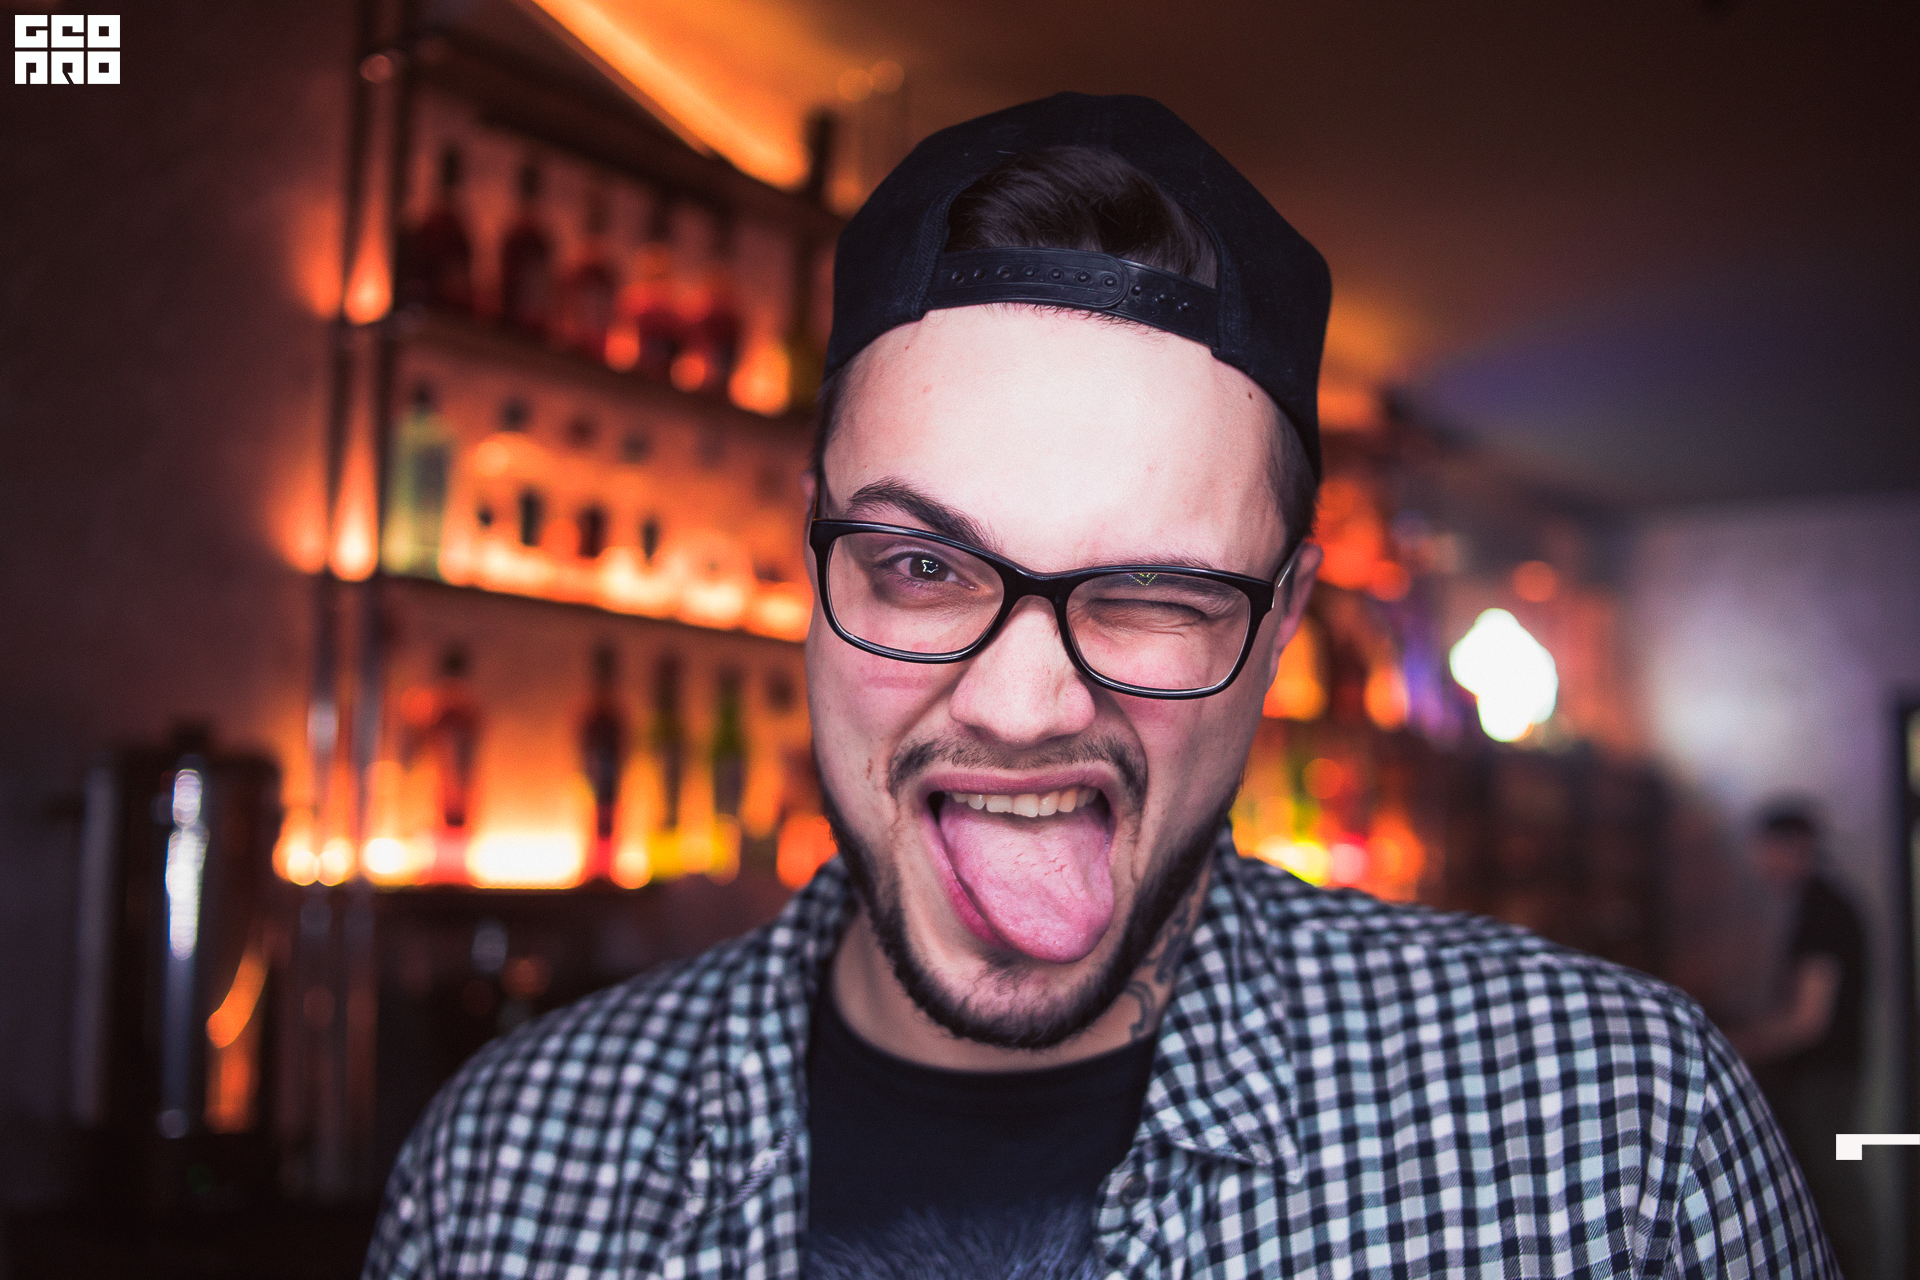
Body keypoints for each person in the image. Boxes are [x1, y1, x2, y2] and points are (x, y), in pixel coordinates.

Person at [364, 94, 1833, 1278]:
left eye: (1153, 595)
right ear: (813, 562)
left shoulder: (1620, 1141)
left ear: (1282, 622)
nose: (1020, 706)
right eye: (922, 566)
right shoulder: (501, 1171)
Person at [1729, 801, 1871, 1278]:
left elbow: (1807, 1020)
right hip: (1824, 1075)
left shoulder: (1824, 913)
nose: (1761, 863)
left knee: (1834, 1191)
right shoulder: (1818, 906)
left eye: (1767, 850)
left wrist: (1739, 1044)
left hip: (1823, 1080)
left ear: (1795, 847)